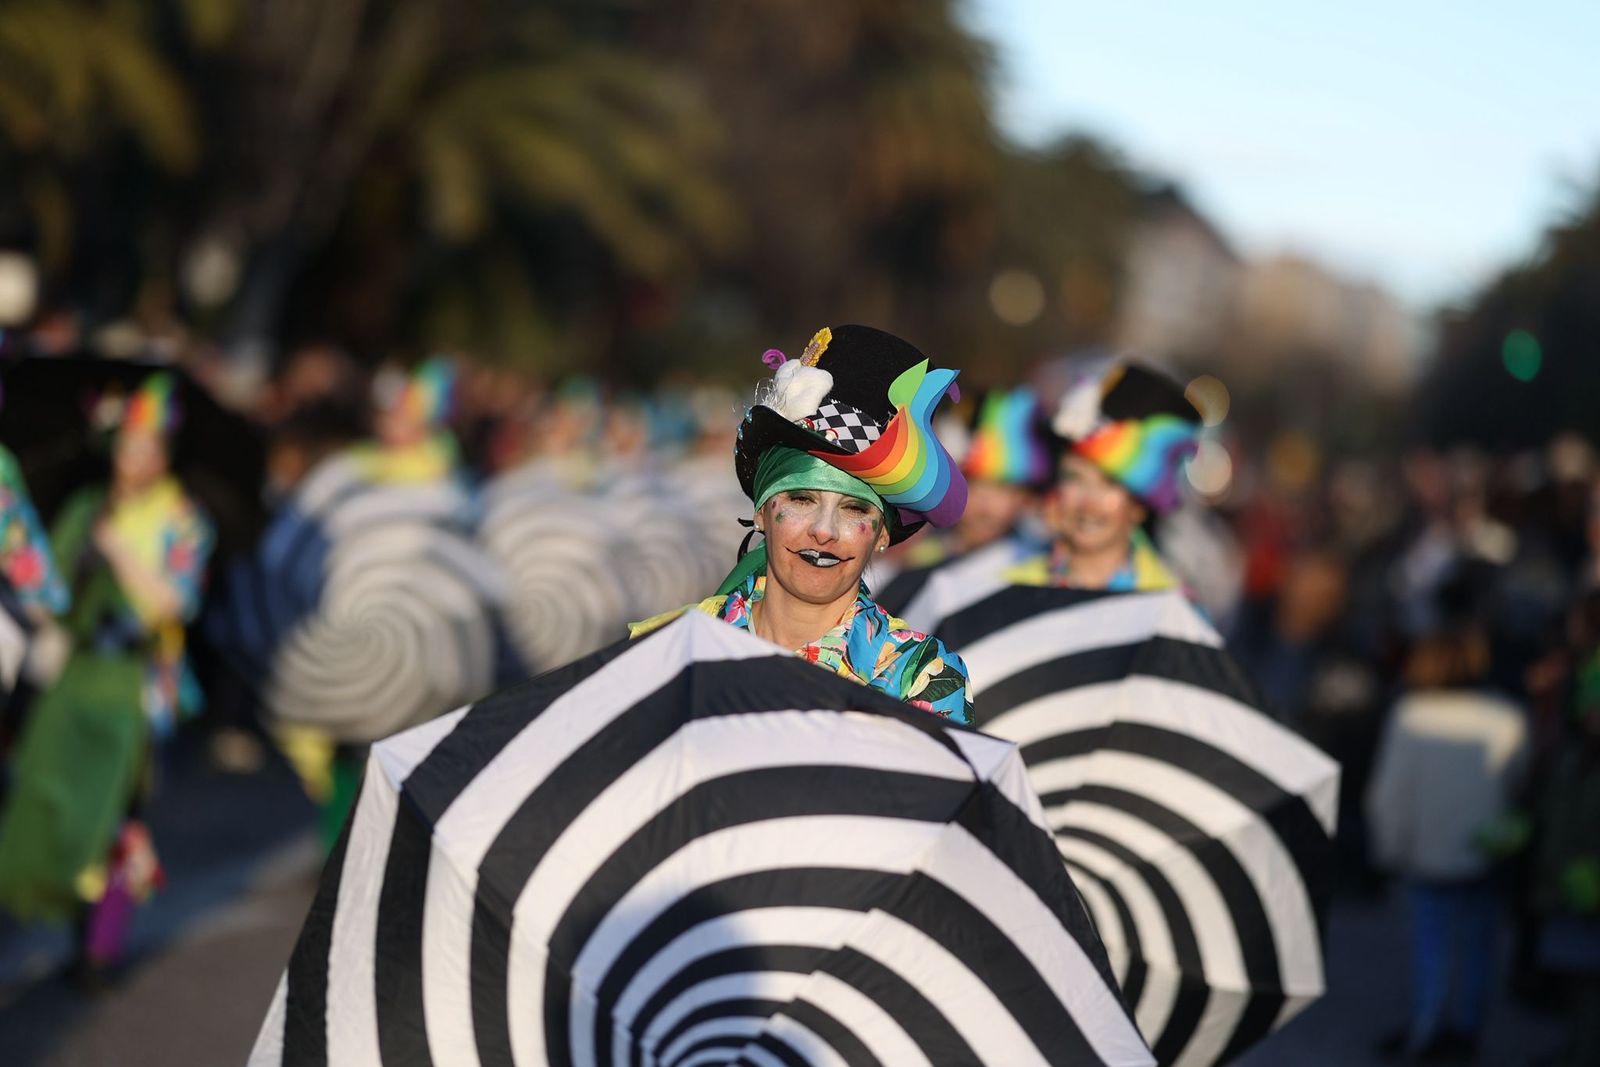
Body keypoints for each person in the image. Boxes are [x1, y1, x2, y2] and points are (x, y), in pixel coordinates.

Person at [632, 325, 974, 723]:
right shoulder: (664, 653)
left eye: (854, 510)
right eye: (801, 499)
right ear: (762, 511)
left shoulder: (918, 678)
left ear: (882, 534)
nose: (824, 531)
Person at [0, 373, 214, 980]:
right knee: (58, 801)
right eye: (127, 445)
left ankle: (100, 946)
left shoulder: (184, 520)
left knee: (121, 820)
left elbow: (174, 604)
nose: (135, 460)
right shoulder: (86, 507)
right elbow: (48, 590)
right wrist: (79, 555)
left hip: (140, 682)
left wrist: (118, 551)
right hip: (77, 673)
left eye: (149, 449)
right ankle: (69, 922)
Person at [1364, 569, 1528, 1063]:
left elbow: (1388, 793)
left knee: (1431, 945)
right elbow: (1516, 785)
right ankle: (1465, 1028)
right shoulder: (1505, 716)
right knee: (1479, 943)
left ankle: (1426, 1026)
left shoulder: (1411, 716)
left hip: (1426, 852)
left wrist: (1388, 846)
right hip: (1482, 847)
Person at [1009, 361, 1200, 592]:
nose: (1088, 503)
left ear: (1139, 507)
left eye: (1109, 484)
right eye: (1075, 478)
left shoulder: (1170, 613)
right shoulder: (1007, 590)